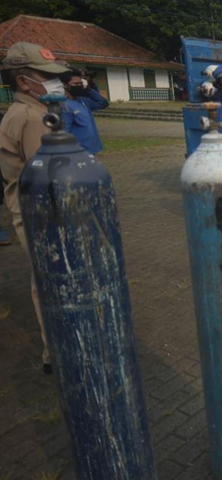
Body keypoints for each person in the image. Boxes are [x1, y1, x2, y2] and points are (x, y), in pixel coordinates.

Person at [0, 42, 71, 373]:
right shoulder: (30, 117)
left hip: (33, 206)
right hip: (40, 210)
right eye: (46, 75)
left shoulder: (29, 111)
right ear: (23, 82)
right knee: (50, 280)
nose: (55, 82)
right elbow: (46, 174)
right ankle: (57, 352)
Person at [59, 68, 109, 155]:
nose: (79, 85)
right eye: (76, 84)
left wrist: (88, 90)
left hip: (92, 149)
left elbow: (103, 103)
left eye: (81, 83)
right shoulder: (64, 106)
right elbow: (65, 132)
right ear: (65, 85)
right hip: (78, 152)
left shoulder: (83, 101)